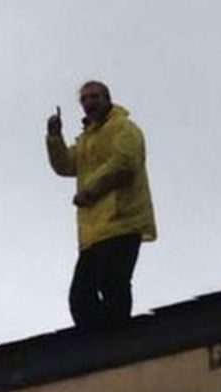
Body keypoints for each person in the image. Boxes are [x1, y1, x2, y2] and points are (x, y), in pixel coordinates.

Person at [46, 81, 157, 329]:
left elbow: (125, 163)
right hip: (93, 232)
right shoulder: (87, 139)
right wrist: (55, 138)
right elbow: (65, 165)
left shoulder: (124, 129)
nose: (89, 103)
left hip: (122, 221)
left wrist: (90, 190)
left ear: (108, 98)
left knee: (112, 284)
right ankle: (96, 342)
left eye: (94, 97)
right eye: (84, 99)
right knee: (80, 296)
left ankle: (116, 339)